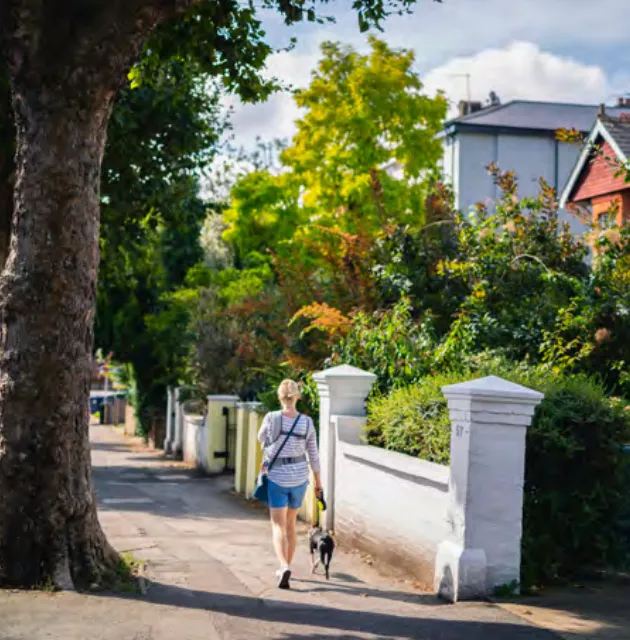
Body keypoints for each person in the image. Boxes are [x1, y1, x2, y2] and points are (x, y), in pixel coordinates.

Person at [258, 379, 322, 589]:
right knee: (291, 525)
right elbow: (313, 454)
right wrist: (318, 483)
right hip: (299, 478)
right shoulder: (306, 422)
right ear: (297, 396)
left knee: (278, 525)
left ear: (279, 396)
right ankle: (288, 565)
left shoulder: (272, 417)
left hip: (277, 476)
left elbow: (261, 439)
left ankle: (283, 565)